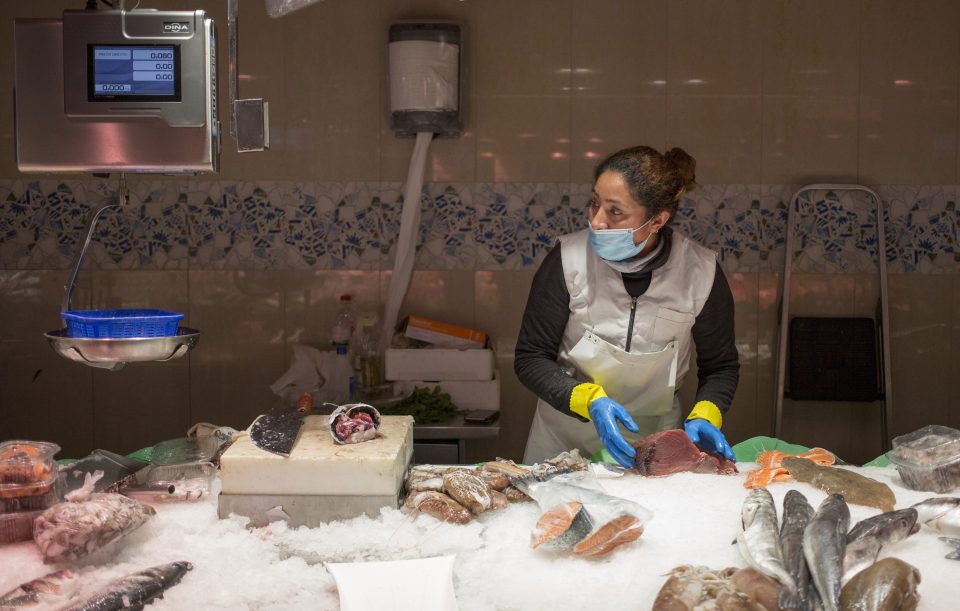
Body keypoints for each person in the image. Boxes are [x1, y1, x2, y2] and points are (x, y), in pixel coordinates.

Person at [515, 145, 739, 468]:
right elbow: (529, 357)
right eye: (595, 203)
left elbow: (721, 366)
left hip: (655, 443)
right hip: (563, 439)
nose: (597, 221)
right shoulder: (567, 260)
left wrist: (707, 411)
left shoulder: (700, 273)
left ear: (657, 220)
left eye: (615, 211)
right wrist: (589, 400)